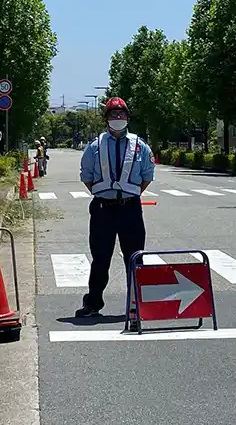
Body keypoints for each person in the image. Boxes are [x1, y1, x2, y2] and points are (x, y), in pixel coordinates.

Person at [75, 97, 154, 318]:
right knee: (101, 258)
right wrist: (104, 193)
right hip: (102, 209)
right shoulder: (95, 146)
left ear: (127, 118)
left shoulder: (140, 146)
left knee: (135, 257)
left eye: (121, 114)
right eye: (113, 114)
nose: (117, 118)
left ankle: (137, 303)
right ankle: (93, 303)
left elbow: (147, 176)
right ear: (106, 119)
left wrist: (129, 193)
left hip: (130, 208)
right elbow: (86, 176)